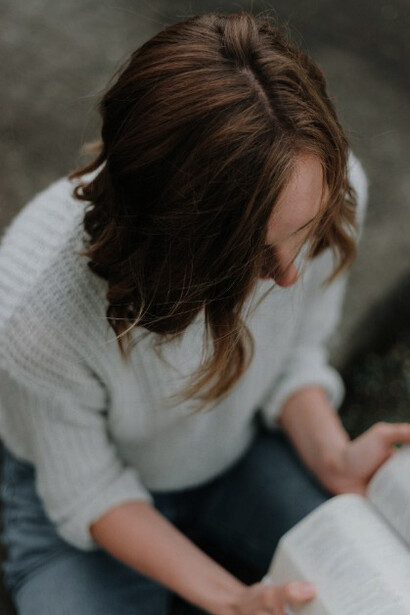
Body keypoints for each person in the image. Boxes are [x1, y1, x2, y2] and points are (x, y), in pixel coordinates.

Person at [0, 10, 408, 615]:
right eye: (252, 254)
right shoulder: (34, 314)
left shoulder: (327, 191)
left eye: (303, 232)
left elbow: (295, 353)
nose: (291, 273)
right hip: (82, 513)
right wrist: (233, 597)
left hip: (232, 451)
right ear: (174, 239)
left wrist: (333, 458)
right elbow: (88, 491)